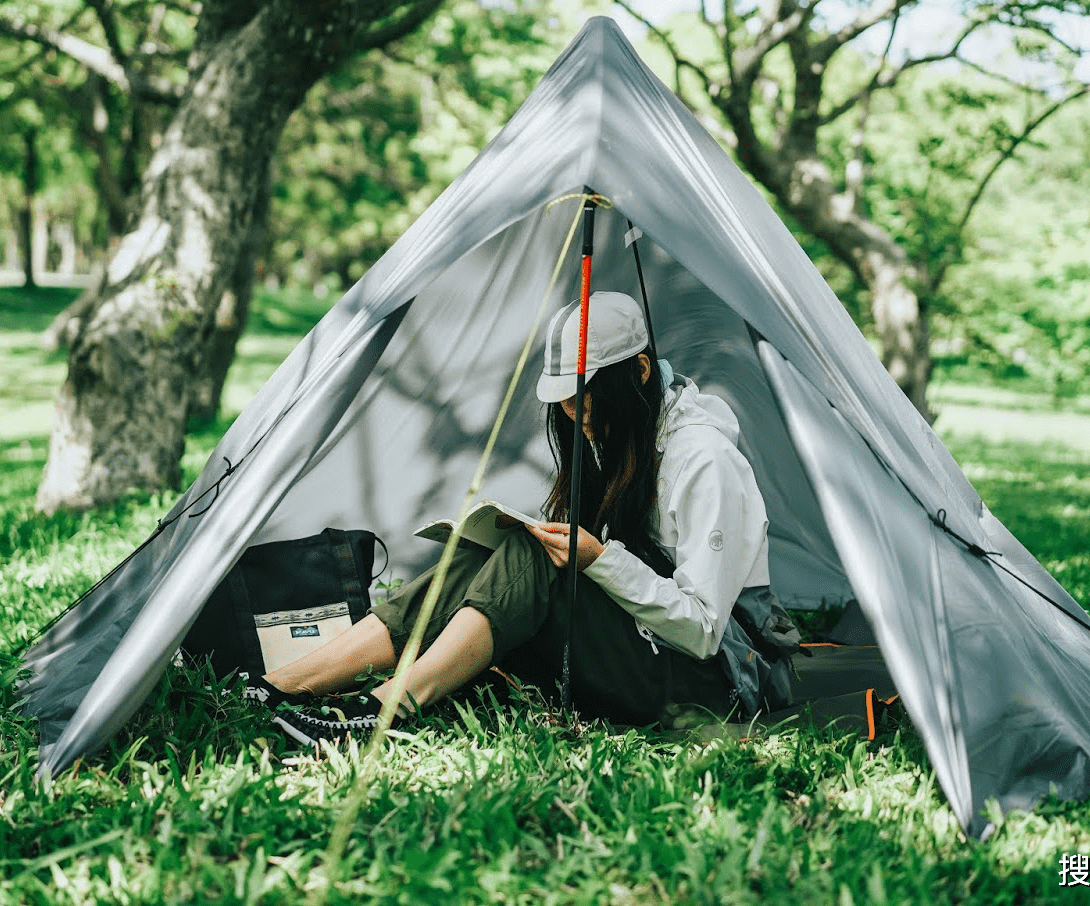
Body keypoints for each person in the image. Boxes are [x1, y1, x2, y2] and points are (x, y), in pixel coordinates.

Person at [251, 291, 782, 746]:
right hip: (648, 648)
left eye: (591, 396)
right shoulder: (627, 438)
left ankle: (387, 709)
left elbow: (705, 630)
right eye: (568, 403)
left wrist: (600, 560)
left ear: (640, 371)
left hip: (719, 683)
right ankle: (280, 685)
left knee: (532, 557)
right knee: (480, 558)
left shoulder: (703, 459)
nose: (581, 414)